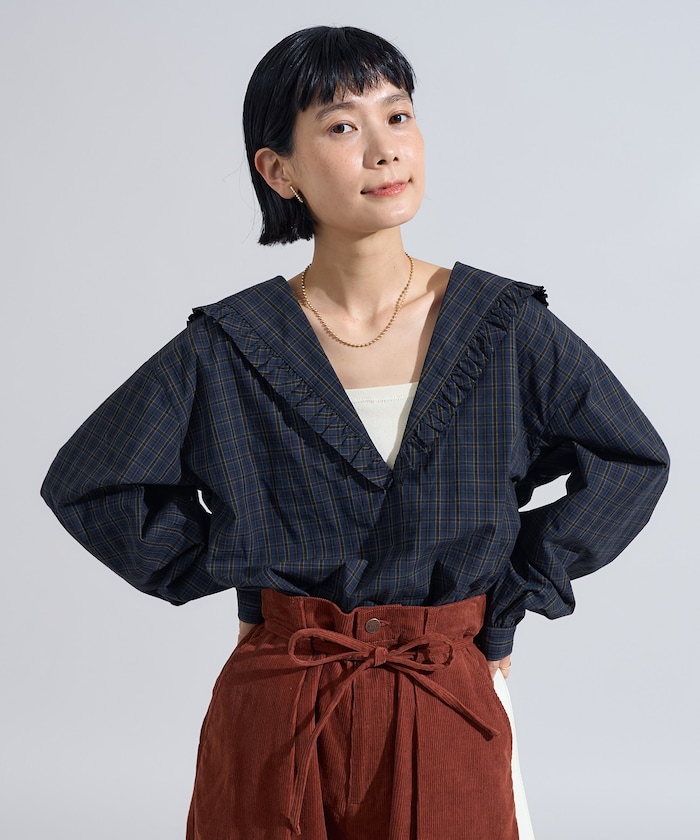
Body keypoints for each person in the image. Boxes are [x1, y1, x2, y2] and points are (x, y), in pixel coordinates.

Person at [41, 25, 668, 840]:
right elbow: (91, 482)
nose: (384, 148)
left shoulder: (503, 327)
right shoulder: (231, 344)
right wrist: (243, 569)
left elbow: (629, 460)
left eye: (398, 116)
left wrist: (512, 595)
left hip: (444, 694)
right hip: (280, 705)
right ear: (279, 171)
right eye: (342, 125)